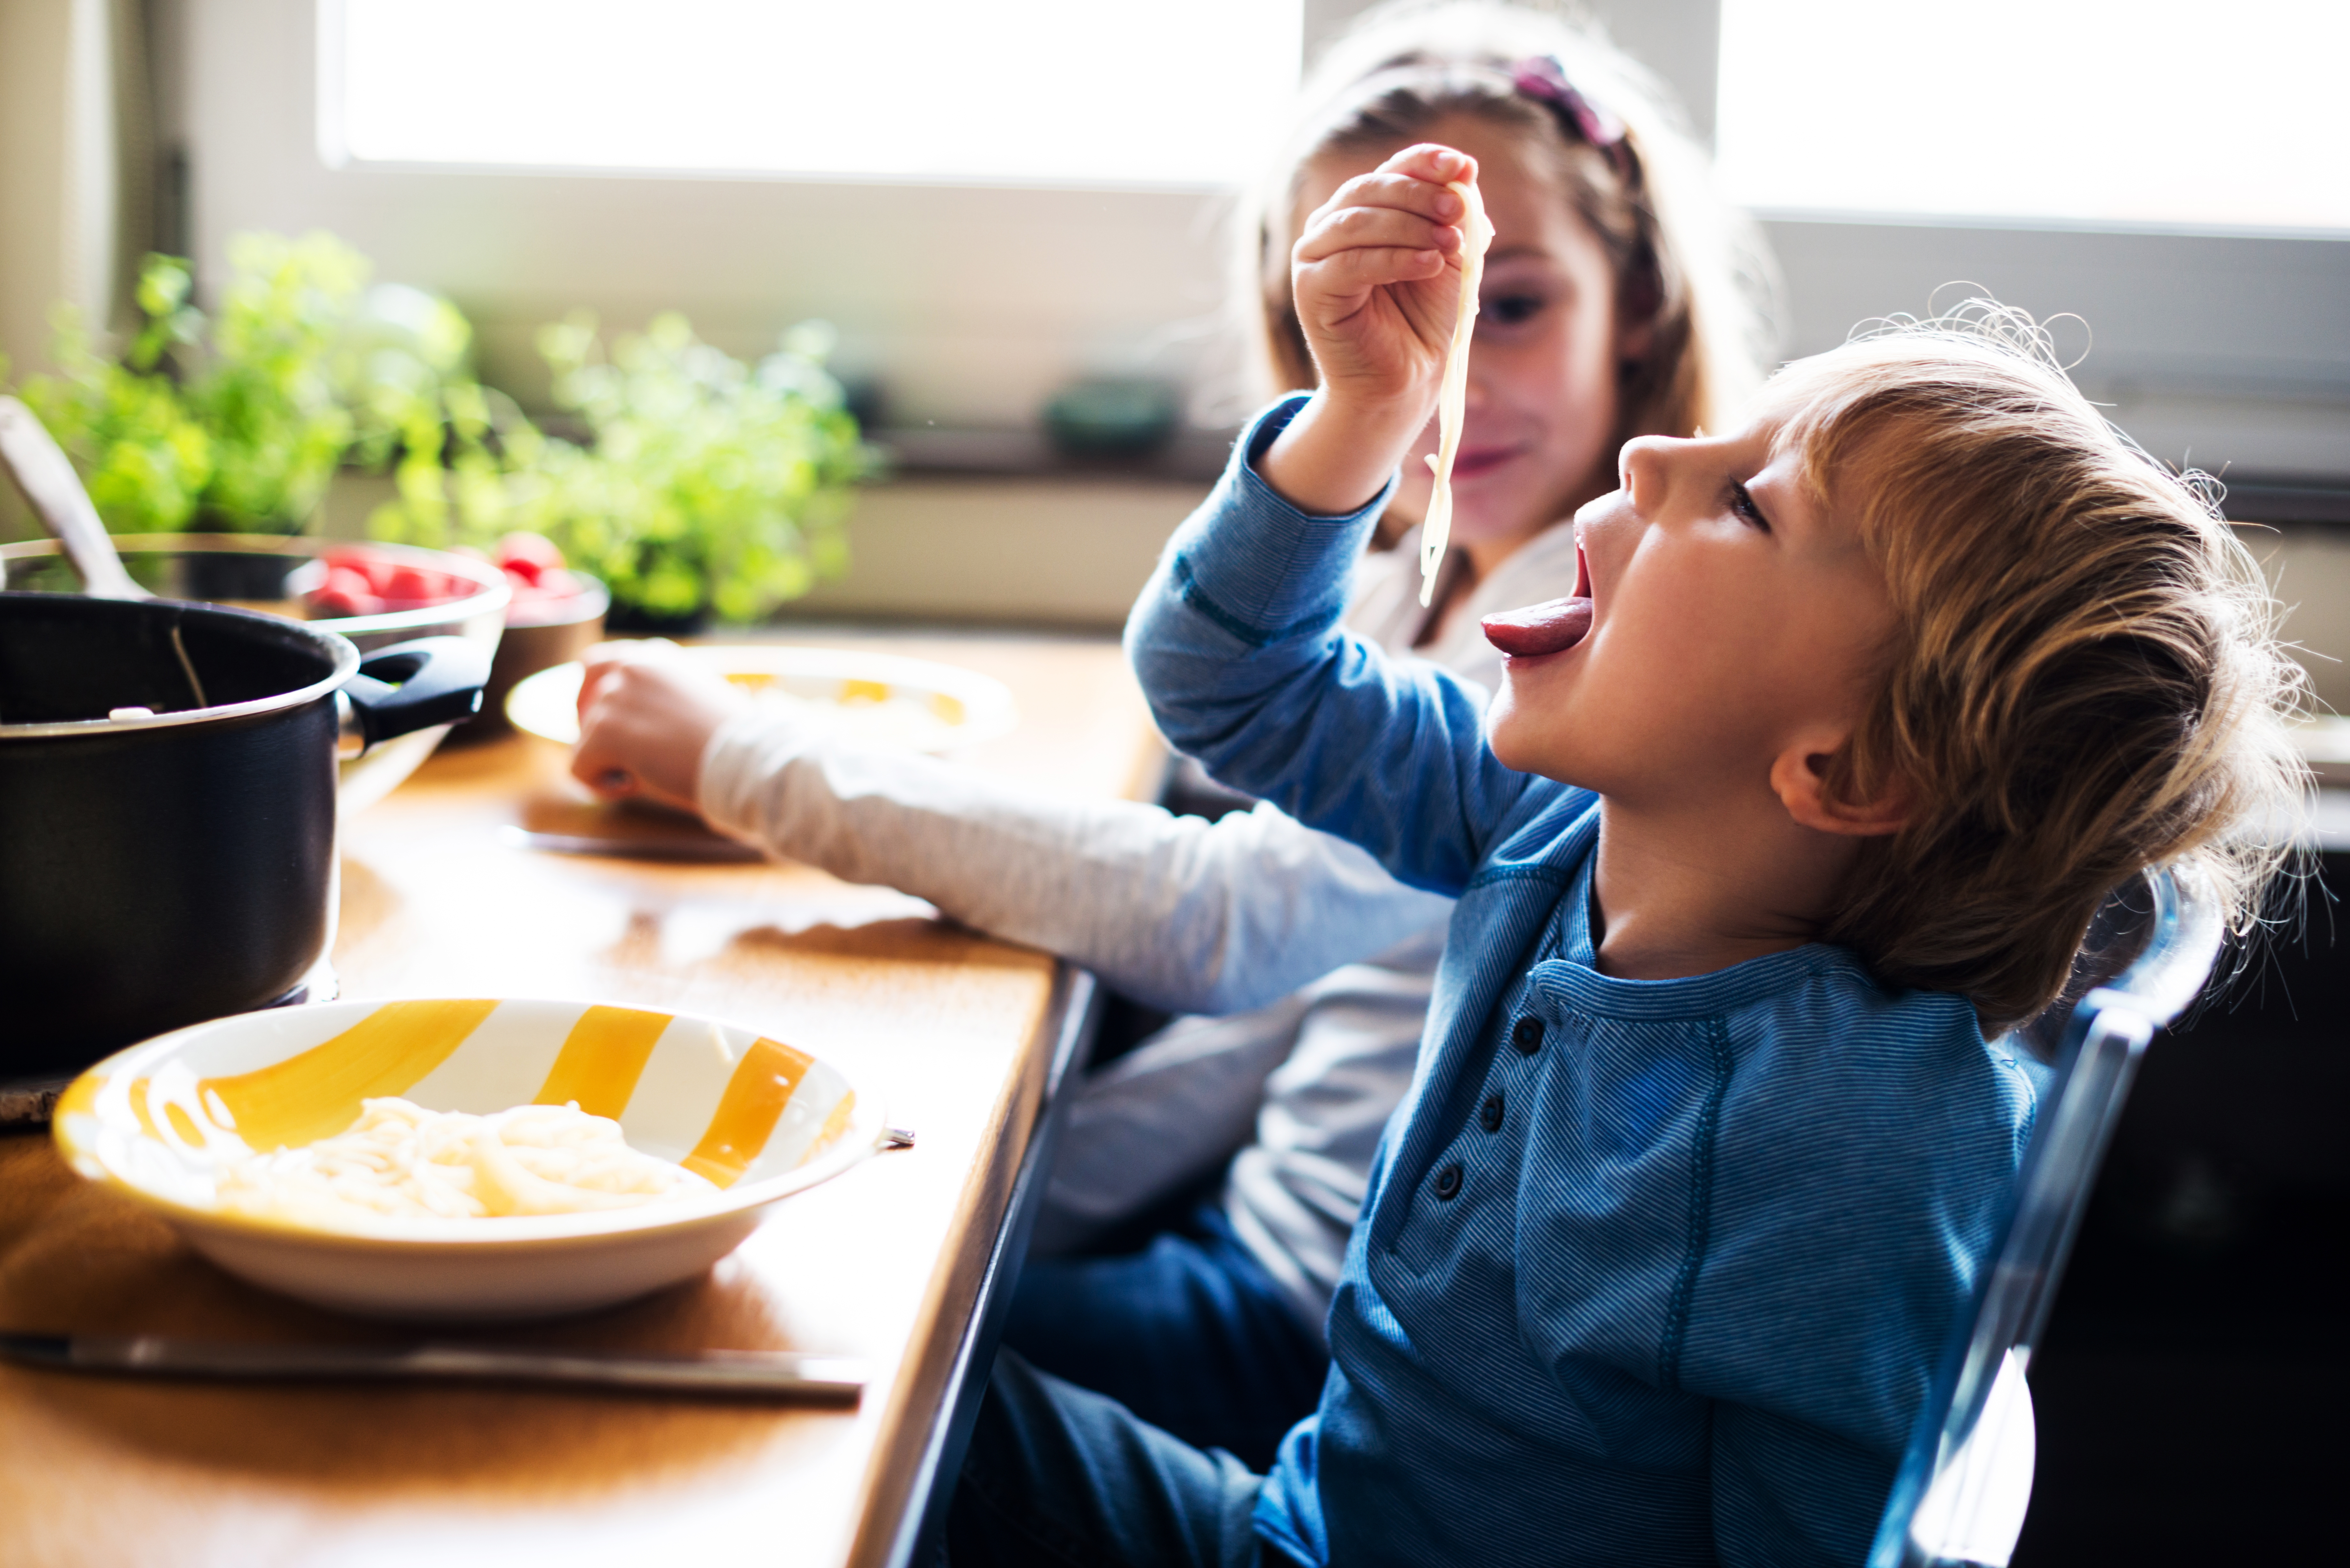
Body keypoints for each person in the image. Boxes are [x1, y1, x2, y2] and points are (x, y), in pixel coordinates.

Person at [929, 140, 2306, 1567]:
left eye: (1746, 501)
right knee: (895, 1386)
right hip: (1301, 1524)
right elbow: (1234, 683)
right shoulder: (1550, 824)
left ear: (1844, 770)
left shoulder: (1856, 1148)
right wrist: (1363, 412)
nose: (1649, 454)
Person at [568, 0, 1773, 1468]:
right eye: (1387, 315)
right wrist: (990, 1201)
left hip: (1318, 1326)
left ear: (1635, 301)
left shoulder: (1593, 662)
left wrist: (747, 761)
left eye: (1507, 306)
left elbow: (1225, 929)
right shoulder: (1419, 581)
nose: (1454, 374)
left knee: (763, 1362)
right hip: (1256, 1243)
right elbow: (1257, 1028)